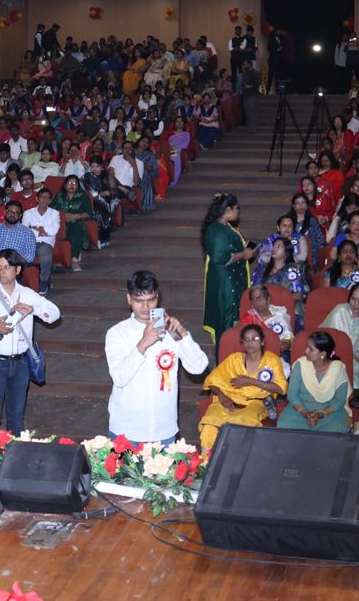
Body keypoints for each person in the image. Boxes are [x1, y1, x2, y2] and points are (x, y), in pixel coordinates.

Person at [104, 269, 209, 444]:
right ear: (129, 299)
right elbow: (119, 378)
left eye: (150, 300)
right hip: (127, 428)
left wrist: (183, 334)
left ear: (158, 297)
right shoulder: (116, 333)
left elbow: (199, 368)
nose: (145, 307)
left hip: (164, 427)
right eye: (139, 301)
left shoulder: (170, 331)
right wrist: (143, 343)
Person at [0, 249, 60, 434]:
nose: (1, 272)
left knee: (16, 415)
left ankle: (14, 456)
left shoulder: (27, 294)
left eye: (6, 267)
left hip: (21, 361)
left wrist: (34, 309)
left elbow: (54, 314)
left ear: (17, 270)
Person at [198, 323, 286, 451]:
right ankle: (206, 464)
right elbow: (212, 380)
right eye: (246, 339)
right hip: (228, 401)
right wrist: (222, 396)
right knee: (209, 427)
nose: (250, 342)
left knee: (243, 425)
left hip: (254, 403)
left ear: (262, 342)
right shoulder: (234, 359)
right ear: (242, 343)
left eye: (255, 338)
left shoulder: (272, 360)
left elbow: (280, 388)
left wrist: (250, 381)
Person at [201, 193, 256, 344]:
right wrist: (244, 254)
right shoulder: (218, 230)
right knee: (227, 321)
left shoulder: (224, 226)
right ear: (228, 210)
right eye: (237, 208)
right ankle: (226, 359)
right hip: (226, 282)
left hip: (231, 279)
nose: (239, 211)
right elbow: (220, 257)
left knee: (233, 320)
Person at [277, 330, 351, 433]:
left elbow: (339, 400)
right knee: (285, 424)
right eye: (307, 347)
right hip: (300, 410)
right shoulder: (301, 365)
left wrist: (320, 414)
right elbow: (292, 395)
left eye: (311, 349)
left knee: (337, 429)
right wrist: (306, 414)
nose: (306, 351)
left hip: (329, 412)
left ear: (323, 354)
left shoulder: (337, 368)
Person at [319, 282, 359, 388]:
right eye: (353, 299)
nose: (355, 304)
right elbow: (323, 335)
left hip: (357, 360)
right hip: (334, 354)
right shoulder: (340, 310)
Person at [22, 187, 61, 291]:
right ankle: (21, 281)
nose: (45, 200)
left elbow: (54, 229)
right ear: (37, 198)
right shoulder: (28, 213)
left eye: (48, 198)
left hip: (45, 242)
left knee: (46, 257)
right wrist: (42, 231)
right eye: (42, 197)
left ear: (51, 200)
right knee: (18, 256)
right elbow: (25, 230)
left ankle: (43, 281)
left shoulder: (55, 213)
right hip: (29, 242)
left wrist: (35, 228)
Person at [52, 176, 93, 273]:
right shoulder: (59, 195)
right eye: (69, 183)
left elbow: (89, 213)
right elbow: (50, 210)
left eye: (74, 184)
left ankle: (74, 260)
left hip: (76, 222)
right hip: (59, 222)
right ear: (65, 185)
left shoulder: (82, 195)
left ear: (78, 186)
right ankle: (56, 260)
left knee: (76, 231)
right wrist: (62, 216)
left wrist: (75, 216)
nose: (71, 185)